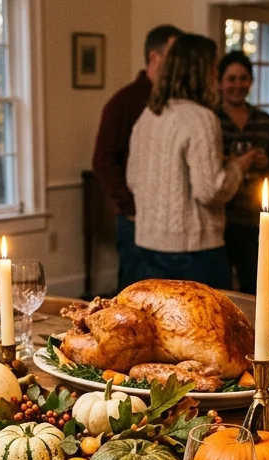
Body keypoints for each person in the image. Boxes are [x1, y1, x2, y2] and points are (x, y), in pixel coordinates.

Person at [126, 34, 260, 289]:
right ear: (201, 71)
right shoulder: (201, 119)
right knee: (208, 326)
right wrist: (236, 167)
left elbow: (133, 179)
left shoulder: (148, 116)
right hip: (193, 249)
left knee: (159, 326)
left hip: (147, 243)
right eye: (213, 67)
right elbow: (210, 190)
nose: (215, 75)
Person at [91, 24, 182, 292]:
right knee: (134, 293)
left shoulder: (178, 102)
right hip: (135, 219)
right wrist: (131, 206)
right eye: (174, 56)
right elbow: (103, 161)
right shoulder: (125, 102)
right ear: (155, 57)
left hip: (168, 223)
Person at [215, 51, 269, 293]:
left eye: (243, 78)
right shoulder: (212, 120)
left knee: (254, 287)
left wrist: (266, 163)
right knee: (220, 289)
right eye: (231, 79)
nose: (237, 85)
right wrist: (234, 163)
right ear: (220, 83)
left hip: (254, 217)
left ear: (251, 82)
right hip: (219, 218)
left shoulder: (264, 121)